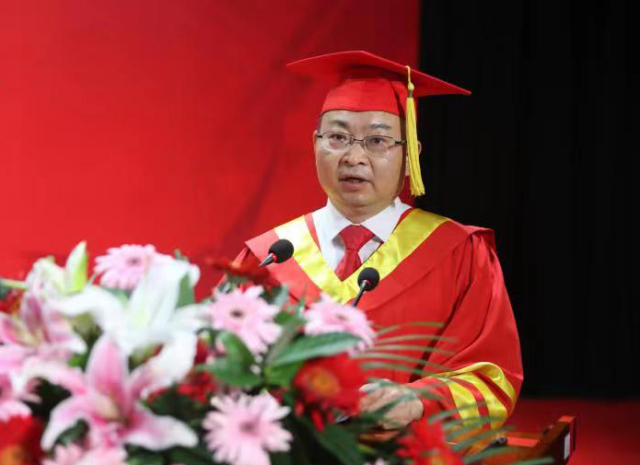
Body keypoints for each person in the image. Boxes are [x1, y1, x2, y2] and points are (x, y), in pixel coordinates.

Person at [233, 51, 523, 432]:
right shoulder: (267, 257)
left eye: (377, 141)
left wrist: (418, 402)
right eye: (337, 137)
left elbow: (491, 378)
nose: (354, 157)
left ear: (410, 154)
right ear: (314, 144)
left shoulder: (461, 254)